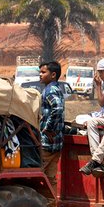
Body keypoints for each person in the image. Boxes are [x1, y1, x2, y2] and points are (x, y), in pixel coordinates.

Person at [39, 61, 65, 194]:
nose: (40, 75)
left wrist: (48, 128)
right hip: (56, 143)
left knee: (34, 175)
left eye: (43, 72)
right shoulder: (57, 88)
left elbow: (58, 108)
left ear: (53, 74)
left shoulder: (49, 90)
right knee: (50, 178)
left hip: (47, 143)